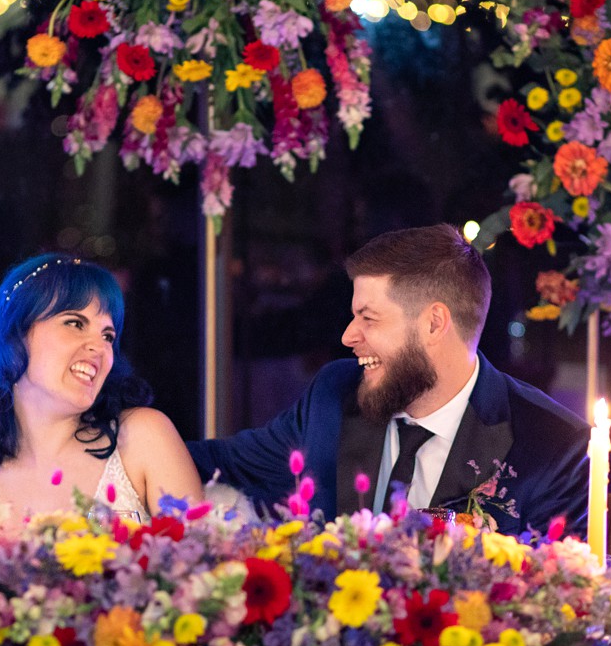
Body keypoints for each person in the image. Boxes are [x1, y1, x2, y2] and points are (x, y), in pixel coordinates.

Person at [188, 224, 589, 536]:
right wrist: (130, 431)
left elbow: (561, 610)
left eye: (368, 317)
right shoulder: (335, 395)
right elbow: (223, 465)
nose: (348, 336)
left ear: (433, 324)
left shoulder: (553, 446)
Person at [0, 253, 203, 520]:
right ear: (17, 336)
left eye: (108, 335)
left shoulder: (144, 438)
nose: (99, 347)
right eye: (75, 323)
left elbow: (206, 562)